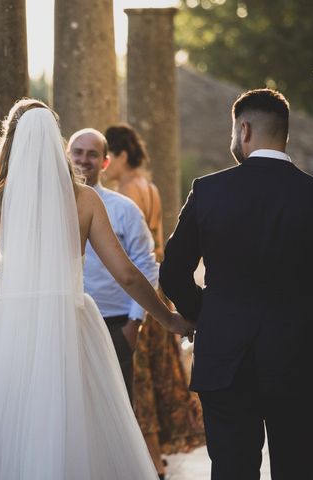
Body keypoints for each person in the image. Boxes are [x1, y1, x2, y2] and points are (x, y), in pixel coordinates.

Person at [0, 99, 193, 479]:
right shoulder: (85, 199)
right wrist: (168, 318)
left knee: (8, 428)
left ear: (11, 142)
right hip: (73, 325)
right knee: (78, 428)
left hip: (12, 330)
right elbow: (129, 274)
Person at [160, 88, 313, 480]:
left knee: (233, 472)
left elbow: (172, 274)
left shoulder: (208, 191)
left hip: (225, 362)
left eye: (232, 132)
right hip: (299, 363)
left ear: (244, 129)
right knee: (296, 471)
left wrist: (207, 313)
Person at [105, 124, 205, 479]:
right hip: (156, 287)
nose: (103, 165)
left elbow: (134, 253)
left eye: (107, 156)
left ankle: (149, 466)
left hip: (138, 294)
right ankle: (154, 463)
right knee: (149, 382)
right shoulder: (151, 188)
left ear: (119, 156)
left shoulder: (128, 191)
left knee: (139, 386)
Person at [67, 127, 158, 400]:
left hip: (115, 325)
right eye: (77, 152)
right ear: (66, 156)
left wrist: (134, 322)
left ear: (105, 162)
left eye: (92, 154)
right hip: (64, 321)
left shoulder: (125, 209)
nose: (84, 160)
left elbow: (146, 264)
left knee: (115, 406)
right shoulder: (52, 206)